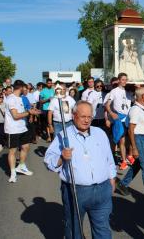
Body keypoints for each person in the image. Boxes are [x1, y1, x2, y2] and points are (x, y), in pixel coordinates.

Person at [44, 101, 116, 239]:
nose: (87, 120)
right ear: (74, 115)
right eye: (83, 116)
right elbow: (48, 161)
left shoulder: (100, 133)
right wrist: (61, 157)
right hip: (75, 191)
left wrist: (112, 179)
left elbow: (109, 159)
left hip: (102, 191)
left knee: (103, 231)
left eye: (90, 116)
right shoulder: (64, 136)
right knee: (73, 231)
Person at [117, 86, 144, 200]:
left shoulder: (141, 107)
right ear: (143, 96)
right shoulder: (135, 110)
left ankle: (122, 184)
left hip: (142, 138)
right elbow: (131, 130)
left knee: (139, 164)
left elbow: (140, 125)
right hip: (138, 139)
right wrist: (134, 148)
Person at [5, 80, 41, 183]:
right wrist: (29, 113)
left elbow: (25, 110)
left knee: (25, 147)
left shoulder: (21, 98)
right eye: (24, 88)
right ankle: (13, 174)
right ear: (20, 88)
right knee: (13, 151)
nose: (26, 90)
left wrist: (32, 112)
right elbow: (15, 116)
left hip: (22, 128)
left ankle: (21, 166)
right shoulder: (11, 99)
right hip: (13, 129)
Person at [105, 72, 134, 170]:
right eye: (123, 80)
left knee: (130, 139)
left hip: (129, 118)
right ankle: (124, 161)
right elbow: (107, 105)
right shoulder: (114, 91)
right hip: (119, 118)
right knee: (121, 140)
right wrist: (111, 114)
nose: (124, 81)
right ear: (119, 80)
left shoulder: (129, 91)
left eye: (126, 79)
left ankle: (129, 156)